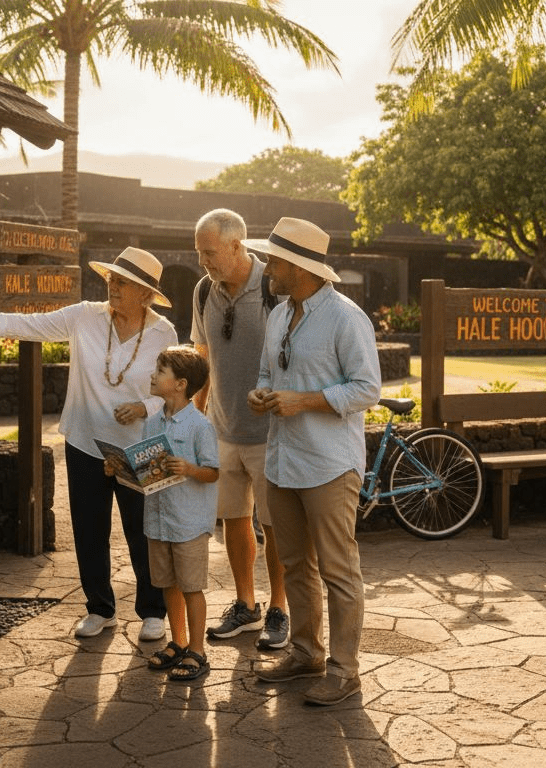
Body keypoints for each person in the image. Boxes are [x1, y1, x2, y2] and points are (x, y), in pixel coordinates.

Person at [0, 247, 177, 642]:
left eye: (123, 282)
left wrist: (144, 407)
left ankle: (153, 611)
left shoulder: (164, 333)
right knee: (89, 530)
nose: (112, 286)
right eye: (112, 279)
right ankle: (99, 609)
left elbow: (171, 389)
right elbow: (34, 324)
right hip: (85, 441)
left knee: (146, 531)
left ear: (147, 294)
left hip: (144, 446)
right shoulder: (84, 315)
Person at [245, 217, 381, 706]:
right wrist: (261, 394)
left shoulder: (346, 318)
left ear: (299, 267)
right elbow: (267, 372)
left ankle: (345, 672)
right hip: (283, 460)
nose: (266, 269)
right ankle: (306, 655)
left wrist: (303, 401)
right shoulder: (279, 314)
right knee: (294, 564)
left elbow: (367, 389)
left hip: (329, 465)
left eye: (274, 261)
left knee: (338, 571)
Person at [190, 208, 290, 650]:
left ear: (236, 246)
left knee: (275, 525)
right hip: (222, 430)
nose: (203, 261)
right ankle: (246, 605)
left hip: (271, 434)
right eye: (199, 252)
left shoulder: (274, 285)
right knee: (233, 520)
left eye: (209, 252)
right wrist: (195, 418)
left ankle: (280, 608)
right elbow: (202, 356)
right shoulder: (202, 291)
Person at [124, 346, 219, 681]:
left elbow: (213, 472)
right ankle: (178, 642)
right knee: (167, 584)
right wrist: (121, 469)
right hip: (158, 520)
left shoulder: (200, 426)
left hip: (188, 523)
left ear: (180, 384)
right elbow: (147, 473)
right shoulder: (151, 423)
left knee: (191, 587)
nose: (152, 376)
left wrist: (190, 469)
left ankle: (198, 651)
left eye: (160, 371)